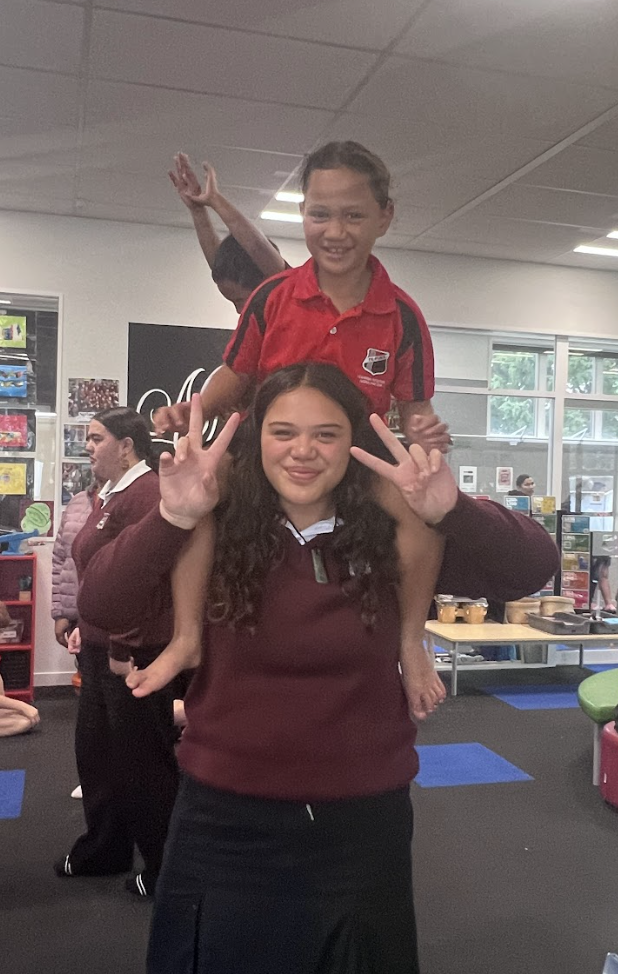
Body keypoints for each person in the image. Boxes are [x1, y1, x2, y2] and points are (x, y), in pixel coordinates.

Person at [78, 365, 559, 974]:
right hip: (223, 822)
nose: (302, 450)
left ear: (352, 443)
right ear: (257, 439)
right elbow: (101, 604)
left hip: (361, 826)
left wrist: (453, 509)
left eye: (326, 434)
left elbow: (531, 568)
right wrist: (171, 516)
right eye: (283, 432)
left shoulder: (393, 533)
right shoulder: (214, 529)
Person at [142, 141, 450, 709]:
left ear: (384, 217)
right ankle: (186, 638)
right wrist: (194, 410)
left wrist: (427, 434)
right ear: (303, 214)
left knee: (423, 513)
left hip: (357, 461)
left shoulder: (403, 315)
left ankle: (411, 643)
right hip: (268, 455)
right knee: (198, 490)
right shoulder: (273, 295)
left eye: (353, 215)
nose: (335, 231)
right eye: (320, 214)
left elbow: (416, 409)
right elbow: (237, 375)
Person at [53, 407, 178, 898]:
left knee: (143, 764)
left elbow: (146, 580)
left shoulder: (146, 493)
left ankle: (167, 868)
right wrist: (84, 625)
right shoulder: (111, 493)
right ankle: (105, 850)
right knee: (99, 758)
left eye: (97, 438)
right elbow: (98, 572)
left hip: (131, 653)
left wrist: (121, 643)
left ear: (127, 446)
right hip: (100, 646)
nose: (88, 446)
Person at [169, 152, 287, 312]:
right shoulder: (256, 315)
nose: (239, 311)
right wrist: (197, 211)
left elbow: (256, 246)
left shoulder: (285, 291)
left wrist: (216, 200)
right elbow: (218, 262)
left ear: (265, 282)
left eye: (239, 300)